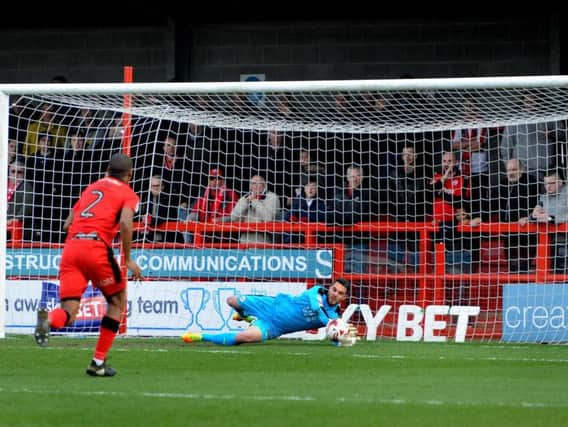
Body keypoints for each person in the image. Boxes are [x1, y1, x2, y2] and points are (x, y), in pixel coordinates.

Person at [34, 153, 144, 377]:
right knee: (117, 302)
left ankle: (49, 320)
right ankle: (98, 362)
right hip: (95, 248)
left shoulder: (91, 188)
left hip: (72, 249)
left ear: (107, 170)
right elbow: (125, 221)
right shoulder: (128, 193)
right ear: (129, 175)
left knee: (69, 311)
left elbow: (67, 224)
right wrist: (128, 258)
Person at [181, 278, 355, 346]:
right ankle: (244, 315)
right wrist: (334, 324)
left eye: (340, 293)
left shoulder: (334, 317)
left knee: (244, 338)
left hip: (274, 327)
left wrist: (342, 339)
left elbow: (334, 338)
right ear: (329, 288)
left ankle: (201, 336)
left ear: (343, 298)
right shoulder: (317, 291)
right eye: (334, 289)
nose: (335, 294)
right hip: (270, 305)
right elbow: (318, 310)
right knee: (231, 300)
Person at [218, 174, 281, 243]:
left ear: (264, 185)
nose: (255, 186)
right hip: (245, 241)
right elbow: (234, 217)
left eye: (258, 183)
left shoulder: (272, 197)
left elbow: (268, 219)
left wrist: (254, 201)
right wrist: (246, 203)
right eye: (253, 183)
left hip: (265, 242)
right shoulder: (244, 198)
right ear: (250, 186)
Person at [530, 171, 568, 273]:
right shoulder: (543, 197)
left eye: (551, 183)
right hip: (550, 242)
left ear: (560, 182)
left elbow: (552, 217)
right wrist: (534, 216)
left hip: (564, 241)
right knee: (555, 274)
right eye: (546, 183)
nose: (548, 187)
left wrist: (551, 218)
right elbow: (536, 214)